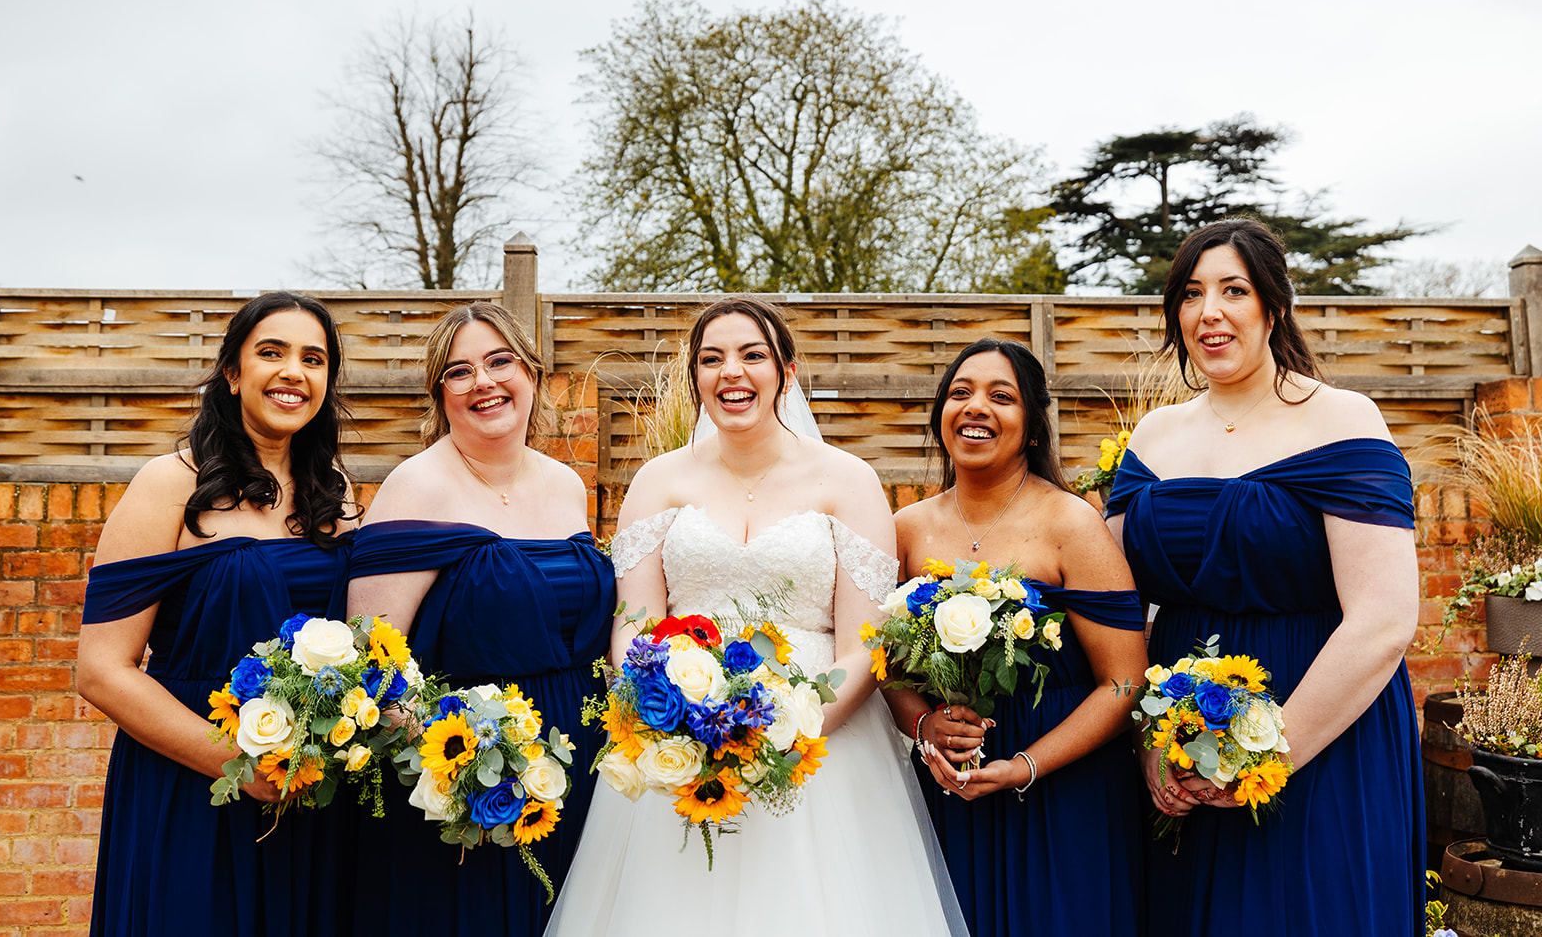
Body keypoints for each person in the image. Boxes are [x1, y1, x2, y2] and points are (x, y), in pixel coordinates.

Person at [543, 296, 969, 937]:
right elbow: (634, 624)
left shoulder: (847, 481)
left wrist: (792, 730)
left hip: (823, 746)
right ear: (696, 378)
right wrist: (676, 716)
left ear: (787, 373)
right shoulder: (658, 482)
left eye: (752, 355)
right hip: (679, 736)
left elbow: (864, 643)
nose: (730, 373)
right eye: (711, 359)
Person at [1105, 218, 1423, 935]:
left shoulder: (1342, 420)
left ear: (1273, 306)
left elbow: (1383, 619)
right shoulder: (1154, 436)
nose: (1208, 311)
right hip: (1179, 745)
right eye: (1191, 293)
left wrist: (1265, 755)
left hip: (1319, 736)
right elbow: (1113, 607)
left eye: (1232, 290)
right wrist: (1149, 739)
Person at [76, 291, 358, 937]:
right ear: (232, 373)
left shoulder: (337, 495)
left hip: (308, 791)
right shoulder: (168, 483)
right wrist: (238, 762)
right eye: (271, 352)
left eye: (313, 358)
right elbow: (102, 669)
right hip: (192, 785)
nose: (294, 371)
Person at [346, 300, 615, 937]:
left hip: (580, 761)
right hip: (475, 774)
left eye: (500, 362)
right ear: (440, 394)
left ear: (532, 373)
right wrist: (467, 765)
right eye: (460, 371)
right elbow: (373, 661)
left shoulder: (565, 483)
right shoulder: (417, 488)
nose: (485, 382)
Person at [886, 338, 1147, 937]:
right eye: (960, 393)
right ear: (940, 417)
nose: (976, 407)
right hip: (949, 784)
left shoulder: (1071, 524)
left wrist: (1025, 765)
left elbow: (1123, 679)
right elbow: (882, 666)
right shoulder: (905, 529)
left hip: (1061, 788)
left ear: (1032, 428)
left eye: (1000, 397)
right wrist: (924, 725)